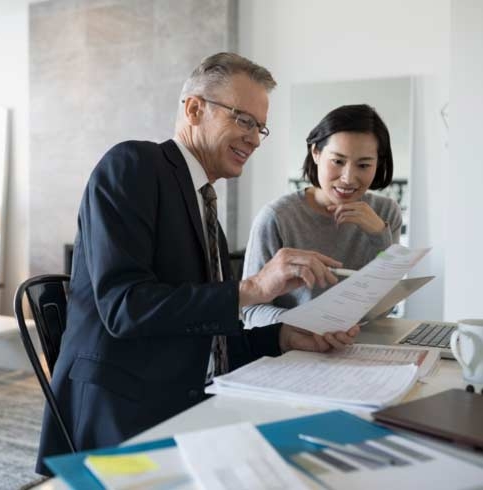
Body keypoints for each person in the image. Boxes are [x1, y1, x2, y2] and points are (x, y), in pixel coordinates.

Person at [36, 53, 359, 474]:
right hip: (120, 417)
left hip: (188, 401)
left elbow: (208, 337)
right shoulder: (134, 165)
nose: (256, 139)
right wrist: (253, 288)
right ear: (194, 109)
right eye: (243, 120)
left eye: (260, 127)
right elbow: (125, 307)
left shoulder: (203, 205)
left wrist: (285, 337)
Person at [242, 104, 402, 328]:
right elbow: (250, 310)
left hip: (364, 347)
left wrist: (379, 236)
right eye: (337, 161)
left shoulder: (385, 214)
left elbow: (385, 308)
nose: (348, 178)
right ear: (316, 153)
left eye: (364, 165)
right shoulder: (276, 218)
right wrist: (306, 328)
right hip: (297, 351)